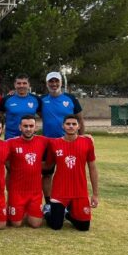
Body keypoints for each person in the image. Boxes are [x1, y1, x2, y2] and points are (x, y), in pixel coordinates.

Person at [43, 115, 99, 231]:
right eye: (68, 124)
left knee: (84, 227)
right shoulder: (54, 144)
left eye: (74, 124)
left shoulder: (87, 143)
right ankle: (48, 211)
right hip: (59, 191)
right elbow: (48, 166)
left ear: (78, 126)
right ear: (63, 126)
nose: (71, 126)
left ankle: (68, 214)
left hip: (80, 191)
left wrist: (95, 194)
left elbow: (92, 168)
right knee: (56, 226)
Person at [40, 71, 85, 207]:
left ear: (61, 82)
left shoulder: (71, 99)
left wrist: (81, 139)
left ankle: (68, 201)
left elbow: (80, 121)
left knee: (68, 174)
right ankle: (48, 203)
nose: (54, 84)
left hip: (68, 143)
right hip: (48, 143)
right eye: (51, 81)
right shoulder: (41, 100)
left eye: (56, 81)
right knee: (47, 174)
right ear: (47, 83)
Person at [5, 115, 49, 228]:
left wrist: (84, 137)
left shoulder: (43, 141)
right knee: (16, 224)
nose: (28, 129)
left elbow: (62, 141)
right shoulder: (10, 143)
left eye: (31, 126)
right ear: (20, 127)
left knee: (35, 224)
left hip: (35, 191)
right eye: (25, 126)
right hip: (17, 191)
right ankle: (10, 207)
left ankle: (33, 210)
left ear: (35, 127)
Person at [0, 74, 41, 139]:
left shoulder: (36, 99)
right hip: (11, 138)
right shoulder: (6, 99)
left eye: (24, 83)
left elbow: (43, 116)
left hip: (29, 138)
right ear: (15, 85)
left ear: (29, 85)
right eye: (19, 83)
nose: (21, 86)